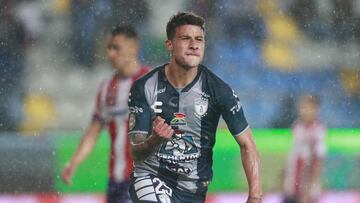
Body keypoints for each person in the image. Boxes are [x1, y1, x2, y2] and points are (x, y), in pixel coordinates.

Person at [127, 12, 262, 203]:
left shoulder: (219, 91)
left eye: (199, 39)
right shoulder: (145, 87)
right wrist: (154, 140)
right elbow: (135, 151)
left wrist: (255, 196)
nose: (194, 45)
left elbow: (247, 144)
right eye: (185, 38)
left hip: (193, 192)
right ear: (169, 45)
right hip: (151, 178)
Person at [61, 25, 149, 203]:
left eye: (116, 48)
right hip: (115, 181)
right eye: (109, 48)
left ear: (133, 47)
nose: (110, 54)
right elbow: (93, 131)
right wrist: (74, 162)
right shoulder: (108, 87)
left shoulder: (152, 82)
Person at [283, 94, 327, 203]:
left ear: (316, 109)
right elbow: (292, 158)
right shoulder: (297, 127)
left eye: (308, 108)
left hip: (307, 193)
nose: (305, 111)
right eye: (303, 107)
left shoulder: (317, 131)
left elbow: (317, 161)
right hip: (291, 188)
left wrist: (307, 192)